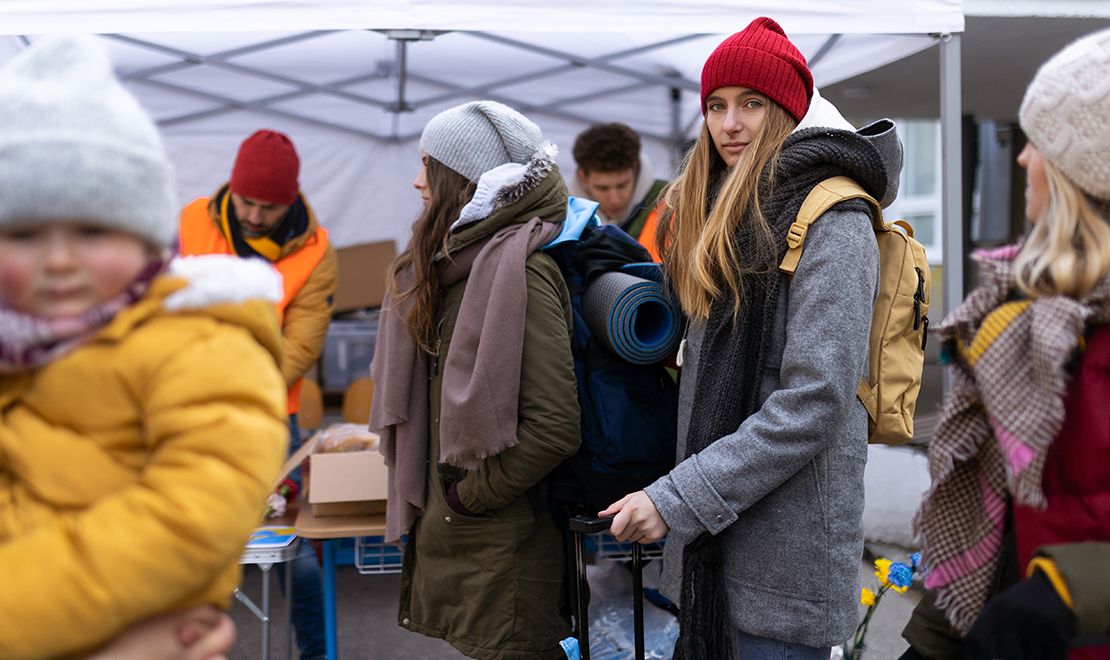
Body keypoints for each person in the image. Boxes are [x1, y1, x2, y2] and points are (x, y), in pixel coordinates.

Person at [599, 16, 905, 659]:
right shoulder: (723, 212)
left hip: (785, 561)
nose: (729, 124)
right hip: (718, 548)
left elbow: (815, 401)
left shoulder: (835, 217)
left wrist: (677, 497)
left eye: (751, 104)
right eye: (716, 106)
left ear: (788, 112)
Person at [0, 36, 288, 658]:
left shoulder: (201, 344)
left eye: (92, 228)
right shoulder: (15, 351)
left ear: (150, 243)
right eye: (22, 233)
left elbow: (194, 512)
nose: (58, 260)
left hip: (102, 617)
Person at [900, 28, 1110, 660]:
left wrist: (1064, 593)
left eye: (1038, 142)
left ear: (1086, 168)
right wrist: (934, 642)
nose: (1021, 159)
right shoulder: (1018, 313)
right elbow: (994, 509)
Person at [370, 100, 581, 660]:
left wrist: (468, 499)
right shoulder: (459, 268)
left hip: (502, 548)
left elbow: (555, 426)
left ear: (461, 180)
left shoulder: (521, 272)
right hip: (477, 545)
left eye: (427, 166)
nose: (417, 182)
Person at [178, 128, 337, 660]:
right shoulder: (191, 221)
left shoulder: (316, 251)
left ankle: (316, 653)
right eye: (247, 201)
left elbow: (301, 347)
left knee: (297, 555)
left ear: (289, 200)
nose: (253, 215)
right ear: (232, 187)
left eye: (268, 207)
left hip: (272, 421)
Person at [570, 122, 668, 255]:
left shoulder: (670, 201)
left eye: (622, 186)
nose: (615, 199)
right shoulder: (564, 219)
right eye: (602, 188)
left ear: (634, 169)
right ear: (583, 179)